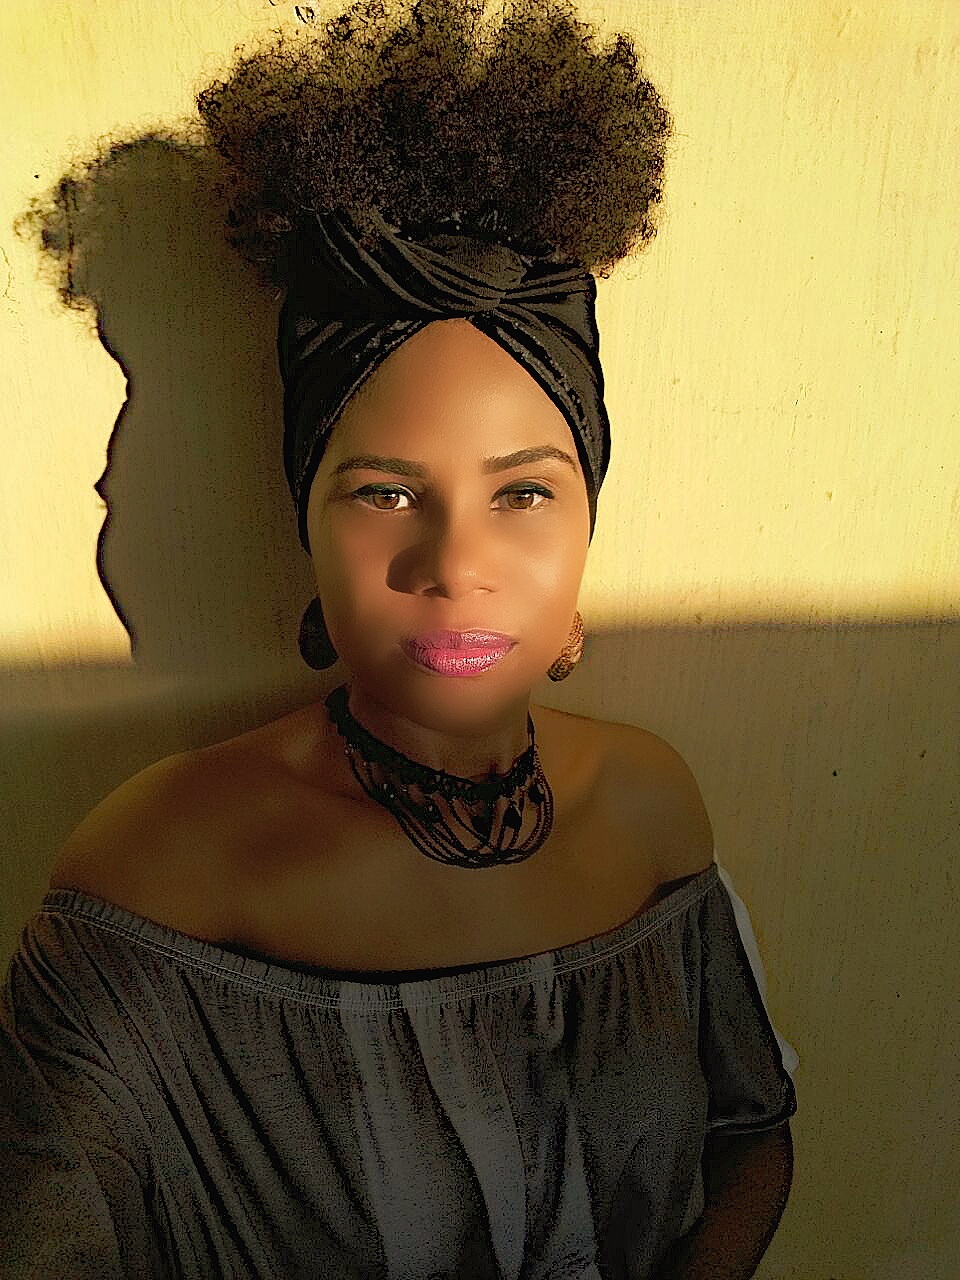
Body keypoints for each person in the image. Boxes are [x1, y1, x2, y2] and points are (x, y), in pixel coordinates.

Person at [0, 2, 798, 1276]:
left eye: (523, 491)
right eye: (382, 491)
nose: (453, 563)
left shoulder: (651, 803)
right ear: (304, 526)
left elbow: (751, 1131)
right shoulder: (162, 864)